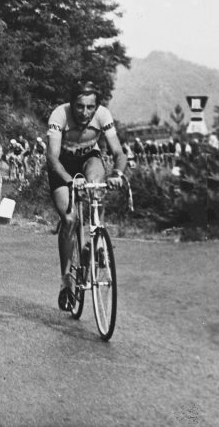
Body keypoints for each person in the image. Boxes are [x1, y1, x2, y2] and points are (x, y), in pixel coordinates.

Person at [46, 80, 127, 311]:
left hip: (88, 158)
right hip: (61, 166)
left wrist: (118, 174)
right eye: (80, 106)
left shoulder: (103, 115)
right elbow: (52, 158)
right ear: (72, 104)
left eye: (90, 107)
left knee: (96, 184)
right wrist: (70, 180)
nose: (85, 112)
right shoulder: (59, 115)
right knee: (70, 220)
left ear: (96, 106)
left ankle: (96, 239)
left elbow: (118, 152)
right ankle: (66, 281)